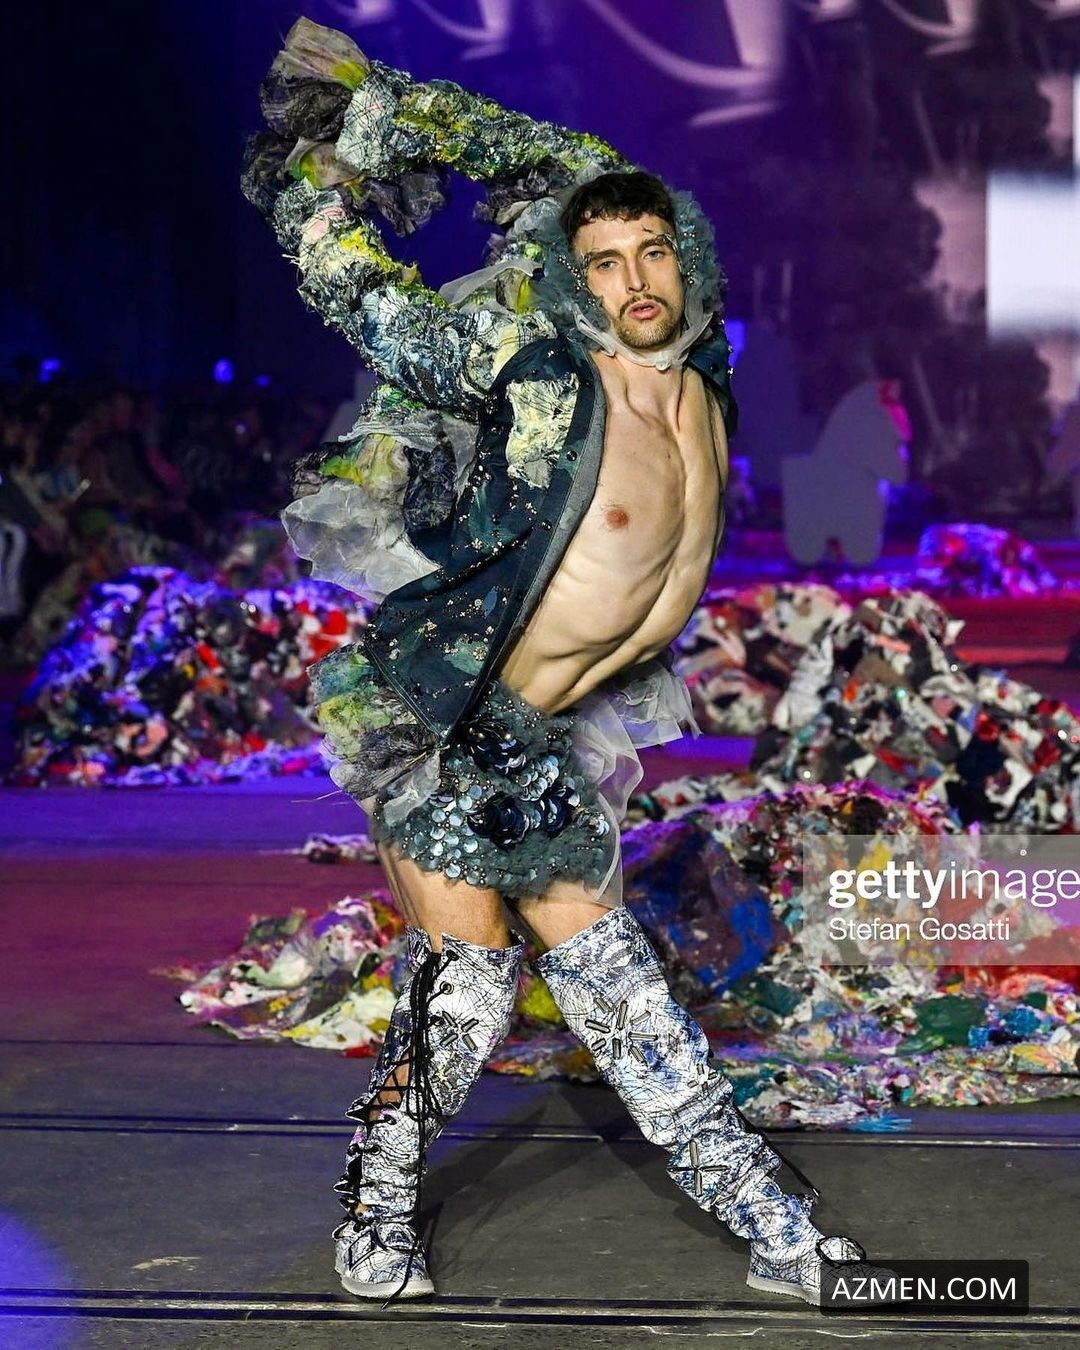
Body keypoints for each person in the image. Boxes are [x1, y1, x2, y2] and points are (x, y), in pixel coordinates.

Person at [245, 17, 880, 1309]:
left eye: (653, 250)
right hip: (437, 715)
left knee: (619, 996)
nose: (634, 277)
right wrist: (322, 166)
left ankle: (780, 1233)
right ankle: (377, 1203)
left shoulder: (705, 381)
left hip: (535, 741)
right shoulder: (539, 372)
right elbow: (378, 307)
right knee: (474, 990)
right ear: (568, 279)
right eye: (602, 261)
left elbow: (578, 165)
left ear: (686, 254)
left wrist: (418, 111)